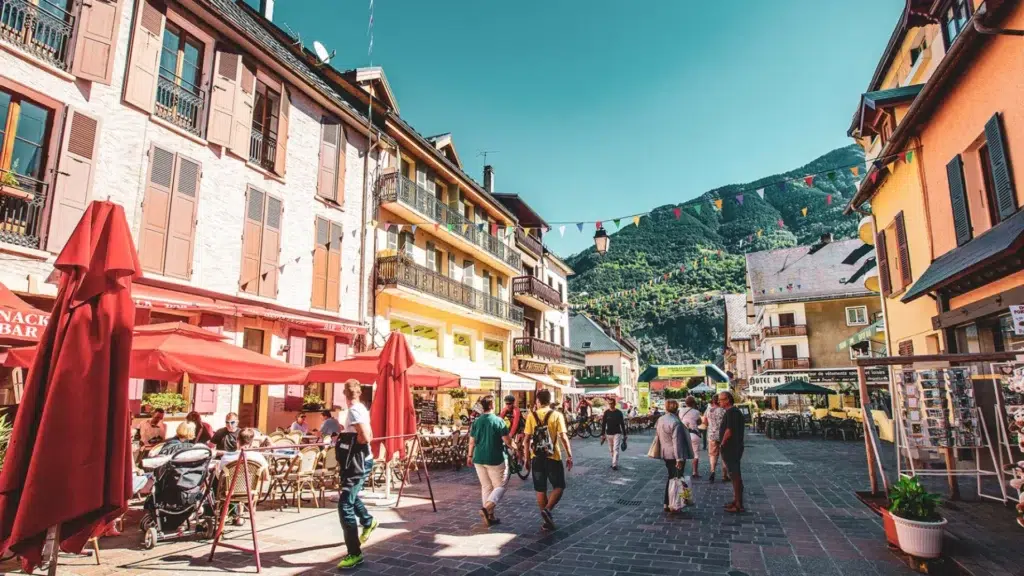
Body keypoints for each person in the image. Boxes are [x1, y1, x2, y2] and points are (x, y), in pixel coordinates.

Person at [336, 379, 378, 570]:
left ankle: (355, 553)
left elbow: (366, 436)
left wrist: (351, 441)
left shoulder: (354, 410)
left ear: (345, 394)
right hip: (361, 460)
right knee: (349, 496)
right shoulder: (361, 407)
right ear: (359, 392)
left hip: (357, 462)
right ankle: (368, 521)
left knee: (344, 504)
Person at [524, 389, 573, 531]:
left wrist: (526, 458)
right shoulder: (557, 415)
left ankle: (546, 519)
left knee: (540, 489)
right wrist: (569, 455)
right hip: (553, 456)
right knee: (559, 486)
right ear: (550, 401)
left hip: (536, 457)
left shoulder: (531, 416)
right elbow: (563, 437)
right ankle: (548, 509)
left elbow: (526, 440)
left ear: (538, 401)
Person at [467, 396, 511, 527]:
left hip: (478, 458)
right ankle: (486, 509)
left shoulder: (476, 422)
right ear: (492, 405)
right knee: (501, 486)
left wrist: (469, 456)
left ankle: (490, 516)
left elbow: (471, 441)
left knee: (486, 486)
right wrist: (516, 447)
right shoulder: (498, 421)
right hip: (494, 458)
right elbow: (507, 441)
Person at [655, 399, 694, 512]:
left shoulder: (661, 419)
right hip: (675, 454)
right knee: (676, 478)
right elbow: (677, 442)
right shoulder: (675, 421)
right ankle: (674, 504)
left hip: (665, 452)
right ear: (676, 408)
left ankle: (667, 503)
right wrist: (679, 458)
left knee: (671, 477)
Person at [719, 391, 745, 513]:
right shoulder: (732, 412)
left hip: (731, 448)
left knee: (735, 475)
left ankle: (738, 504)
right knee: (733, 474)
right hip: (733, 447)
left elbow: (729, 431)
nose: (719, 402)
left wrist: (722, 444)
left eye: (721, 399)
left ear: (727, 400)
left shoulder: (732, 413)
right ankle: (736, 501)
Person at [702, 394, 729, 483]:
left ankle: (712, 471)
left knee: (713, 455)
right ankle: (725, 475)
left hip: (711, 435)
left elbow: (705, 422)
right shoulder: (723, 410)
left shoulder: (708, 410)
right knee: (724, 455)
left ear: (712, 401)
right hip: (723, 435)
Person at [600, 398, 627, 471]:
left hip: (617, 433)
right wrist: (602, 434)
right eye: (610, 403)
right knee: (611, 450)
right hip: (609, 434)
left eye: (612, 403)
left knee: (616, 449)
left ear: (615, 404)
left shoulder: (619, 412)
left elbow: (622, 424)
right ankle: (614, 461)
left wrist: (625, 434)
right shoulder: (606, 413)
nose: (611, 405)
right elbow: (603, 424)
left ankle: (614, 464)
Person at [679, 396, 703, 478]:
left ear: (685, 403)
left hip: (683, 434)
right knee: (696, 454)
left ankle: (680, 471)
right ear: (693, 403)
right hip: (694, 434)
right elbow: (699, 422)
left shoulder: (681, 410)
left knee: (683, 454)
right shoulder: (696, 412)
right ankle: (694, 472)